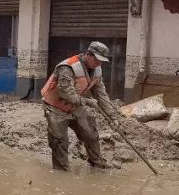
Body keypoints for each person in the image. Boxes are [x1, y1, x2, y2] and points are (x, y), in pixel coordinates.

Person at [40, 41, 123, 170]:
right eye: (97, 60)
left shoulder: (97, 71)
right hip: (56, 107)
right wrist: (88, 102)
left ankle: (97, 163)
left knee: (91, 133)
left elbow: (101, 95)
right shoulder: (68, 67)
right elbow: (66, 93)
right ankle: (61, 170)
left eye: (102, 61)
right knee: (60, 141)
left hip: (76, 106)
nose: (99, 63)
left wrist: (113, 117)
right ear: (88, 54)